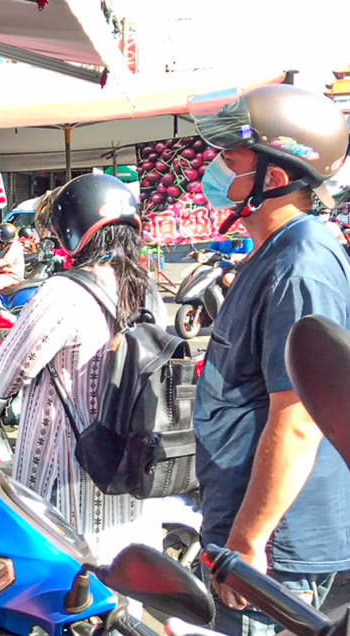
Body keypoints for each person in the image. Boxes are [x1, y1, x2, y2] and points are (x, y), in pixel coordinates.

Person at [187, 84, 350, 636]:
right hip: (249, 533)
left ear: (274, 178)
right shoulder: (274, 254)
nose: (213, 167)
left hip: (275, 554)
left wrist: (247, 543)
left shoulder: (301, 268)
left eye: (229, 156)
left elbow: (298, 420)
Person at [0, 174, 165, 567]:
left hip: (66, 488)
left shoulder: (64, 291)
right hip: (132, 482)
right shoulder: (148, 291)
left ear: (71, 231)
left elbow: (5, 375)